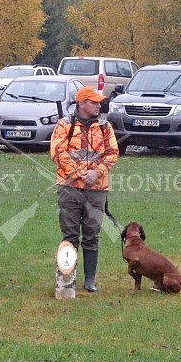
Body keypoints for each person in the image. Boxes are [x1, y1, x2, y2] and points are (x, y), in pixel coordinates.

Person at [50, 86, 119, 292]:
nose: (99, 105)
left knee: (92, 234)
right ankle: (67, 280)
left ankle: (90, 280)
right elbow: (57, 152)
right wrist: (80, 174)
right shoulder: (64, 125)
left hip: (97, 190)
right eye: (94, 102)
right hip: (69, 188)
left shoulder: (106, 127)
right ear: (81, 104)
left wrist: (96, 173)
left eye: (99, 102)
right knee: (69, 236)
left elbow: (113, 153)